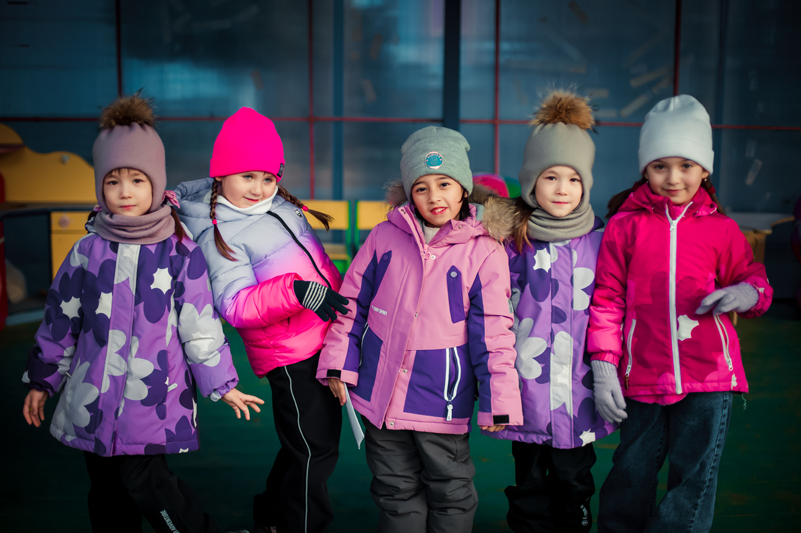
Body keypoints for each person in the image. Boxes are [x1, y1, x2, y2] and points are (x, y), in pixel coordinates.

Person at [22, 93, 262, 533]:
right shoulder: (87, 250)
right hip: (92, 398)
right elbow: (61, 320)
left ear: (156, 183)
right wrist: (43, 379)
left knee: (146, 484)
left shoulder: (179, 251)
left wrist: (222, 384)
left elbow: (199, 325)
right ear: (101, 187)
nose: (125, 191)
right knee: (106, 490)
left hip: (152, 397)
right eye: (113, 181)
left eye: (137, 179)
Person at [317, 126, 524, 533]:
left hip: (440, 400)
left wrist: (498, 396)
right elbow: (351, 304)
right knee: (395, 490)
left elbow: (494, 332)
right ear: (409, 193)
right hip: (378, 396)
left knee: (450, 490)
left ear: (463, 189)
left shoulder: (485, 250)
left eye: (444, 184)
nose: (434, 197)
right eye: (422, 187)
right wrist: (339, 364)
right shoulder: (384, 236)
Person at [588, 95, 773, 532]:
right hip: (642, 374)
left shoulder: (721, 229)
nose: (673, 178)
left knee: (694, 478)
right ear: (645, 169)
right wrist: (604, 365)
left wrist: (745, 293)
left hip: (710, 375)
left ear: (705, 169)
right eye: (660, 166)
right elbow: (608, 298)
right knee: (630, 472)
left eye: (686, 165)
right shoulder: (624, 226)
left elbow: (755, 278)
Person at [174, 107, 347, 533]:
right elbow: (234, 305)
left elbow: (316, 264)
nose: (258, 188)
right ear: (221, 175)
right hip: (290, 355)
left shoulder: (281, 207)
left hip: (323, 338)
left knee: (304, 443)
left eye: (268, 177)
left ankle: (271, 515)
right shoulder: (217, 231)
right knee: (315, 449)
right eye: (247, 176)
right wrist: (295, 292)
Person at [491, 91, 618, 532]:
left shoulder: (601, 241)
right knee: (529, 480)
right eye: (550, 177)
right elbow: (494, 309)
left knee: (574, 478)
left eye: (574, 179)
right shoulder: (512, 243)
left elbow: (613, 306)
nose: (563, 189)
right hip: (526, 389)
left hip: (580, 391)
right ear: (531, 182)